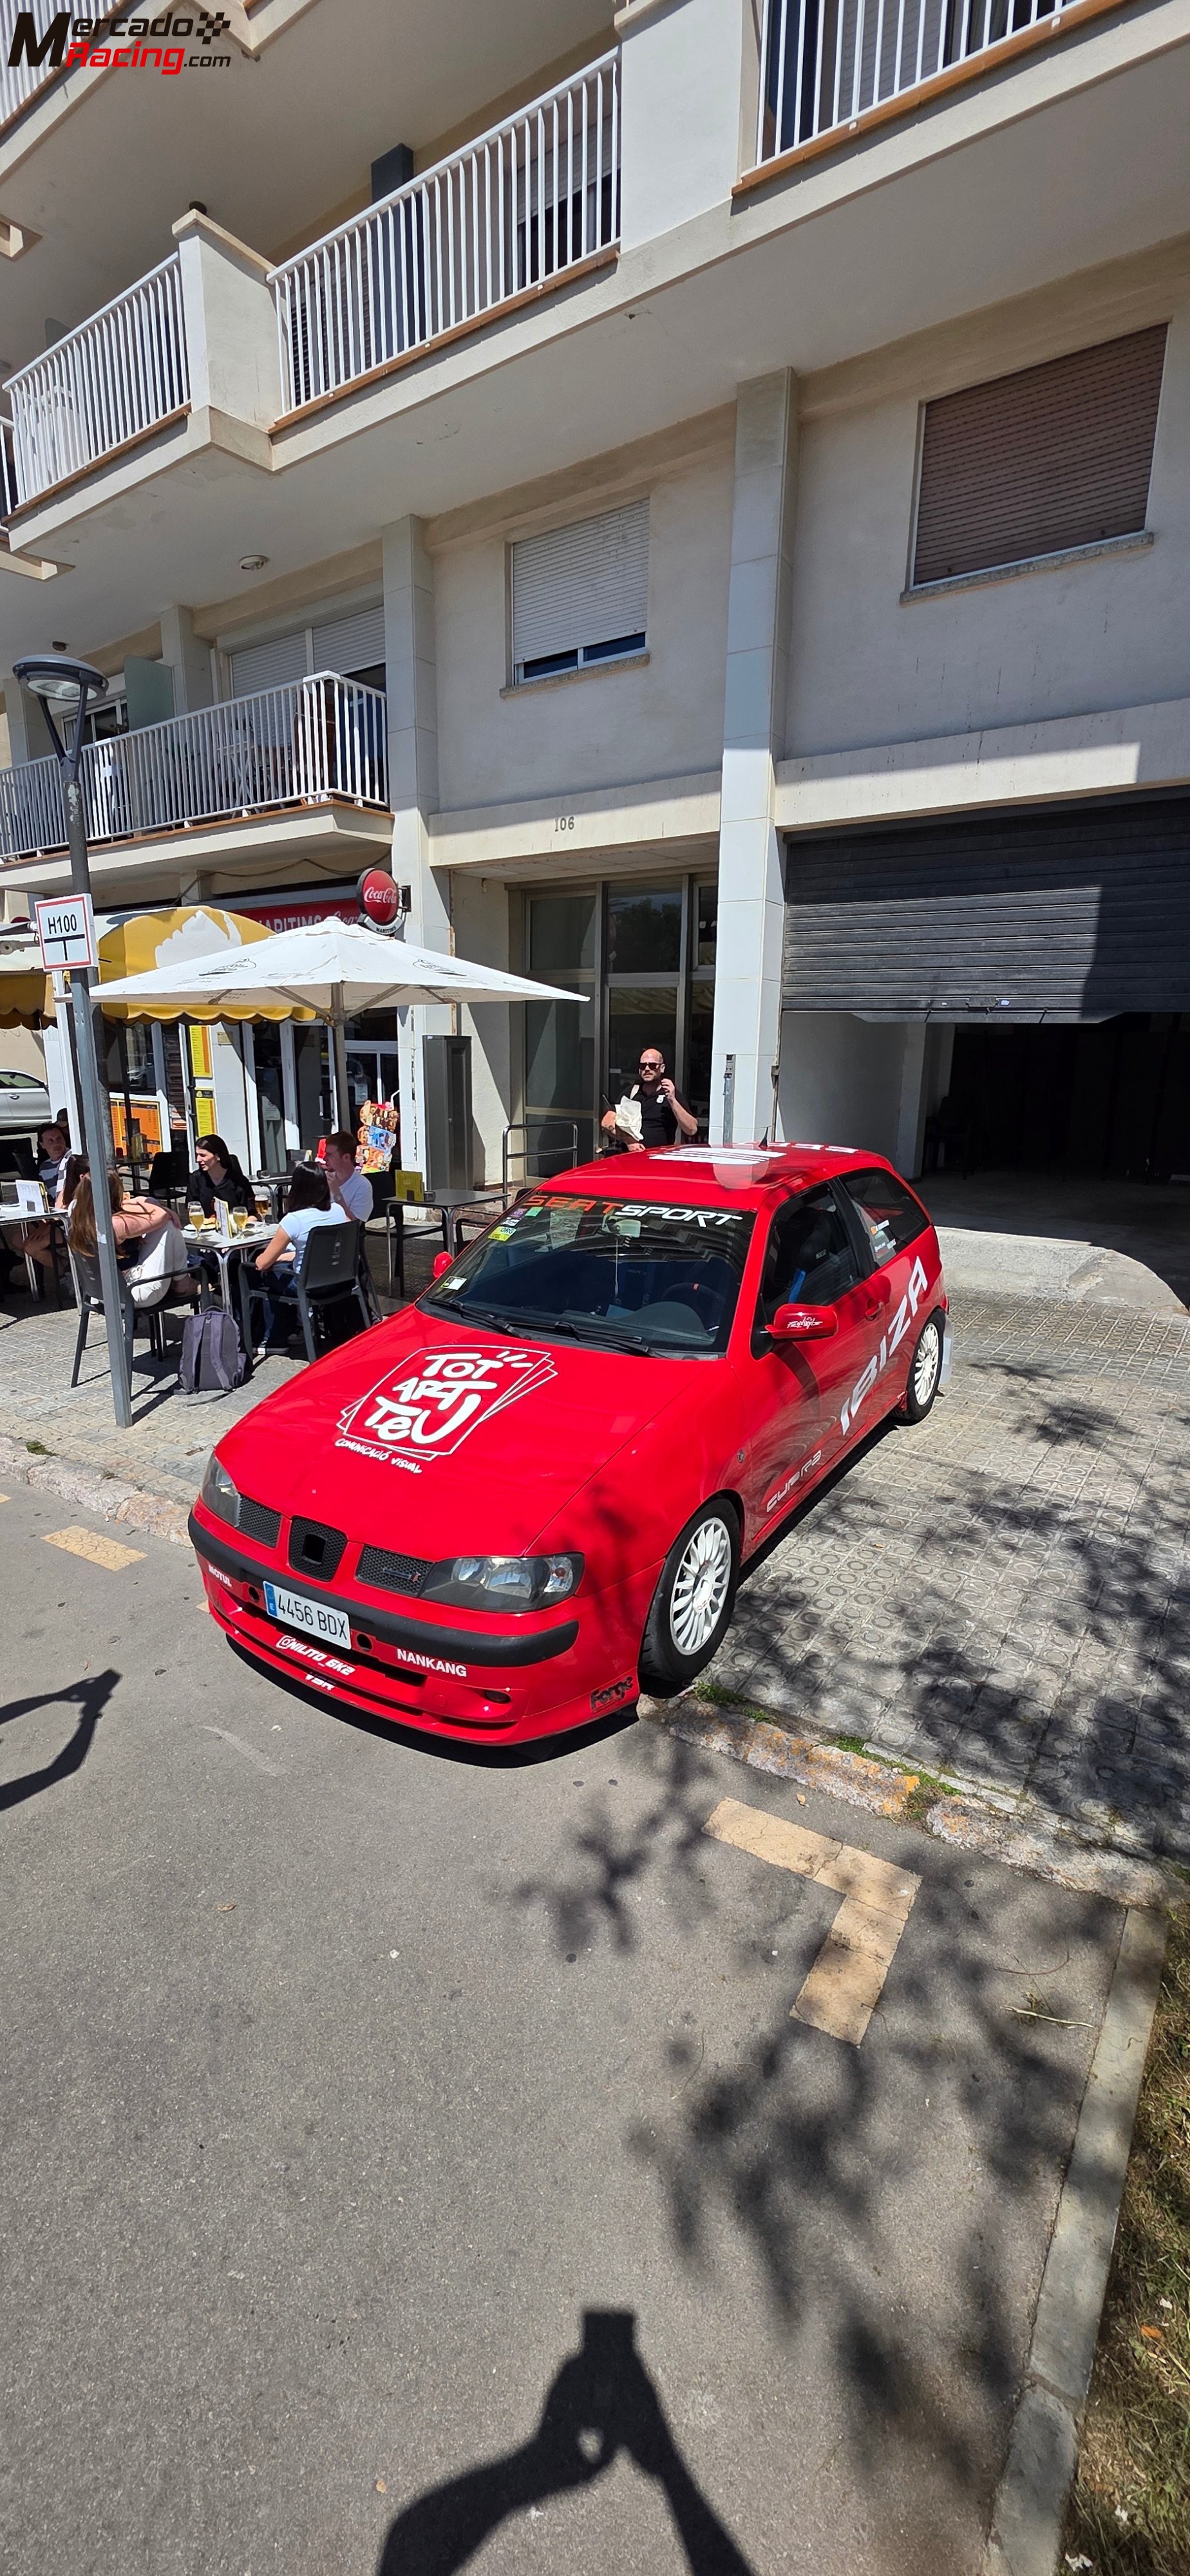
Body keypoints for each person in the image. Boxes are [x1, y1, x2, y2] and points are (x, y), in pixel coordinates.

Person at [249, 1164, 346, 1348]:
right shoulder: (339, 1211)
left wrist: (270, 1260)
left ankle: (272, 1337)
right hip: (339, 1280)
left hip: (307, 1285)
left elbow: (262, 1263)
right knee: (277, 1267)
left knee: (256, 1273)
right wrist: (287, 1257)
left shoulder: (294, 1220)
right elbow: (319, 1250)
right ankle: (289, 1330)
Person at [68, 1169, 189, 1306]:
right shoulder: (115, 1224)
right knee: (168, 1226)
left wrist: (127, 1202)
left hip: (100, 1292)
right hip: (128, 1294)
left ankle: (181, 1280)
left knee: (162, 1224)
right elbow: (160, 1215)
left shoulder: (77, 1212)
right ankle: (182, 1282)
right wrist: (141, 1200)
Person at [600, 1048, 699, 1153]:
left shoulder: (672, 1094)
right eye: (643, 1066)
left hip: (658, 1160)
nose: (647, 1069)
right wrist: (630, 1141)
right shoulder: (631, 1092)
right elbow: (606, 1121)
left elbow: (692, 1129)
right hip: (630, 1159)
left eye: (652, 1065)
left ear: (662, 1068)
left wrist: (672, 1100)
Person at [185, 1135, 255, 1222]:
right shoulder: (196, 1179)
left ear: (217, 1156)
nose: (198, 1159)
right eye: (197, 1155)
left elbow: (253, 1214)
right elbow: (192, 1209)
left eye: (203, 1155)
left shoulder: (239, 1181)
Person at [323, 1130, 373, 1224]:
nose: (325, 1158)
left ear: (346, 1157)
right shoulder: (324, 1179)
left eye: (330, 1155)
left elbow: (354, 1225)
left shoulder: (363, 1186)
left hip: (341, 1236)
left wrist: (337, 1194)